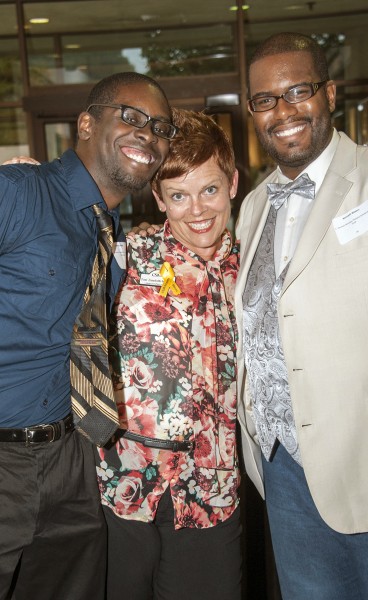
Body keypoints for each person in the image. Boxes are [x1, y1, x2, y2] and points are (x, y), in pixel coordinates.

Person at [235, 31, 368, 599]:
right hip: (284, 473)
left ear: (329, 93)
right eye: (264, 99)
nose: (282, 111)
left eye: (297, 90)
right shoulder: (254, 206)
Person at [0, 71, 175, 600]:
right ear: (84, 123)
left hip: (72, 457)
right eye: (131, 116)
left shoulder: (110, 231)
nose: (148, 133)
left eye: (160, 126)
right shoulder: (19, 192)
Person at [96, 108, 242, 600]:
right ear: (158, 198)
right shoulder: (125, 255)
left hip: (211, 492)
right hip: (122, 489)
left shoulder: (255, 271)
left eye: (209, 190)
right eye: (178, 195)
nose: (197, 210)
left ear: (233, 184)